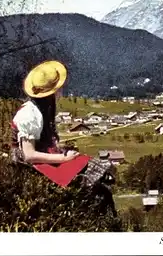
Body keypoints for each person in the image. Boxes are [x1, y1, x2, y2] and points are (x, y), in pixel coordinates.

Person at [10, 60, 117, 215]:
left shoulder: (43, 107)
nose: (61, 91)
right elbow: (29, 155)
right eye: (59, 88)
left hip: (43, 154)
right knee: (89, 181)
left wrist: (60, 151)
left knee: (92, 165)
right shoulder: (28, 114)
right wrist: (63, 159)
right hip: (31, 163)